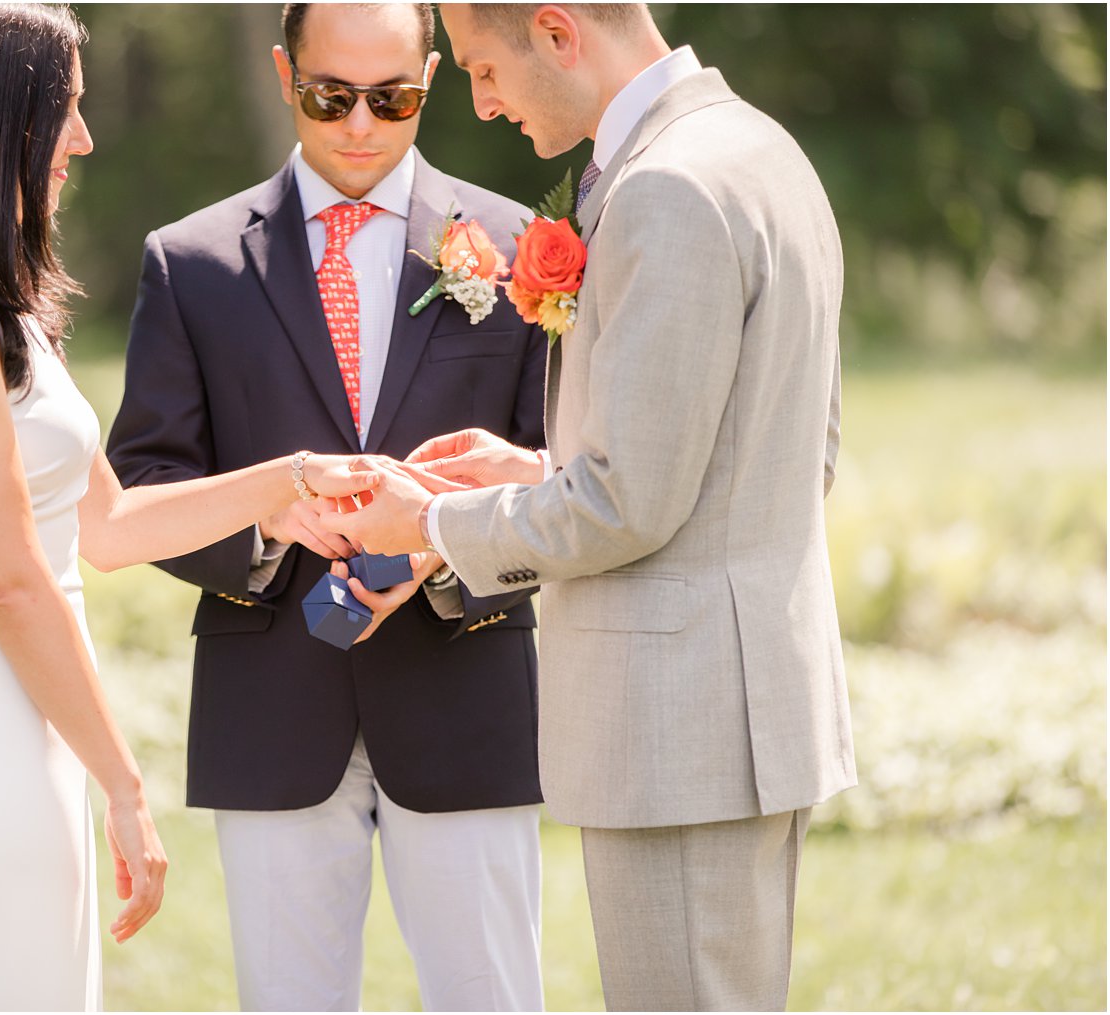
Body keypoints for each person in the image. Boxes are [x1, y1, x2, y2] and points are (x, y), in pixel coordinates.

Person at [0, 5, 379, 1010]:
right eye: (63, 113)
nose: (81, 139)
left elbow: (107, 527)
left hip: (18, 731)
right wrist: (124, 782)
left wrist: (285, 479)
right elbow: (6, 580)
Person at [325, 3, 856, 1010]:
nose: (479, 105)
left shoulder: (665, 187)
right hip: (737, 710)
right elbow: (775, 453)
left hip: (677, 729)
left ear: (558, 32)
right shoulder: (757, 148)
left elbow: (627, 505)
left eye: (484, 70)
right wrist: (538, 471)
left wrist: (428, 524)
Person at [104, 3, 549, 1009]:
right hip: (271, 704)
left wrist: (440, 543)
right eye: (327, 96)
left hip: (465, 691)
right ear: (281, 72)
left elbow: (555, 478)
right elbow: (142, 486)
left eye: (389, 99)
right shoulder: (193, 263)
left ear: (430, 78)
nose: (358, 124)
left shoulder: (520, 248)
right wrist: (263, 524)